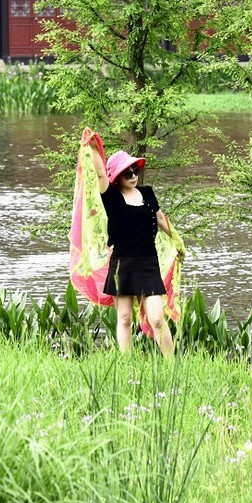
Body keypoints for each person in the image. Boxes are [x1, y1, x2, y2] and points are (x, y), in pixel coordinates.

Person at [82, 128, 175, 358]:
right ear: (117, 177)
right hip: (122, 264)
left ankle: (173, 365)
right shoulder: (111, 197)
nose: (133, 175)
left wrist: (177, 241)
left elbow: (161, 219)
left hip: (148, 263)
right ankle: (127, 366)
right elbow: (101, 175)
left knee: (157, 318)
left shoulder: (148, 193)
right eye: (127, 172)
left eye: (135, 170)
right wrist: (93, 146)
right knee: (124, 319)